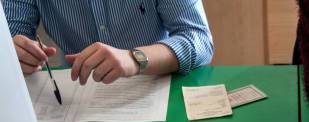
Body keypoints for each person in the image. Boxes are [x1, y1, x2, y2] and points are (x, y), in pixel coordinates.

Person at [3, 0, 213, 84]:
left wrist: (134, 58)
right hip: (75, 96)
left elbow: (199, 39)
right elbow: (11, 32)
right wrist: (15, 51)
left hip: (155, 84)